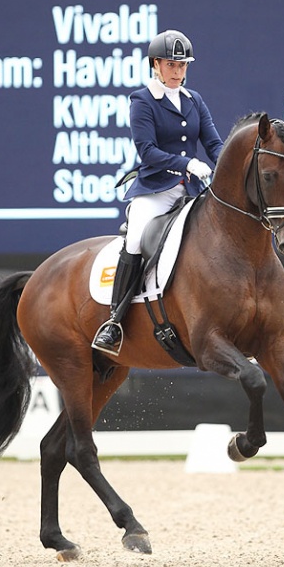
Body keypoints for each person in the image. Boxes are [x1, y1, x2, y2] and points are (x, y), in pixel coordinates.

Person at [93, 29, 224, 355]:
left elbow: (213, 144)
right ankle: (114, 321)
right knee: (136, 238)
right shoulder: (142, 100)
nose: (178, 71)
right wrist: (187, 164)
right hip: (156, 189)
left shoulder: (195, 100)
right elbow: (147, 151)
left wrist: (229, 164)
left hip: (193, 192)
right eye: (171, 64)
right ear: (156, 64)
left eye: (182, 65)